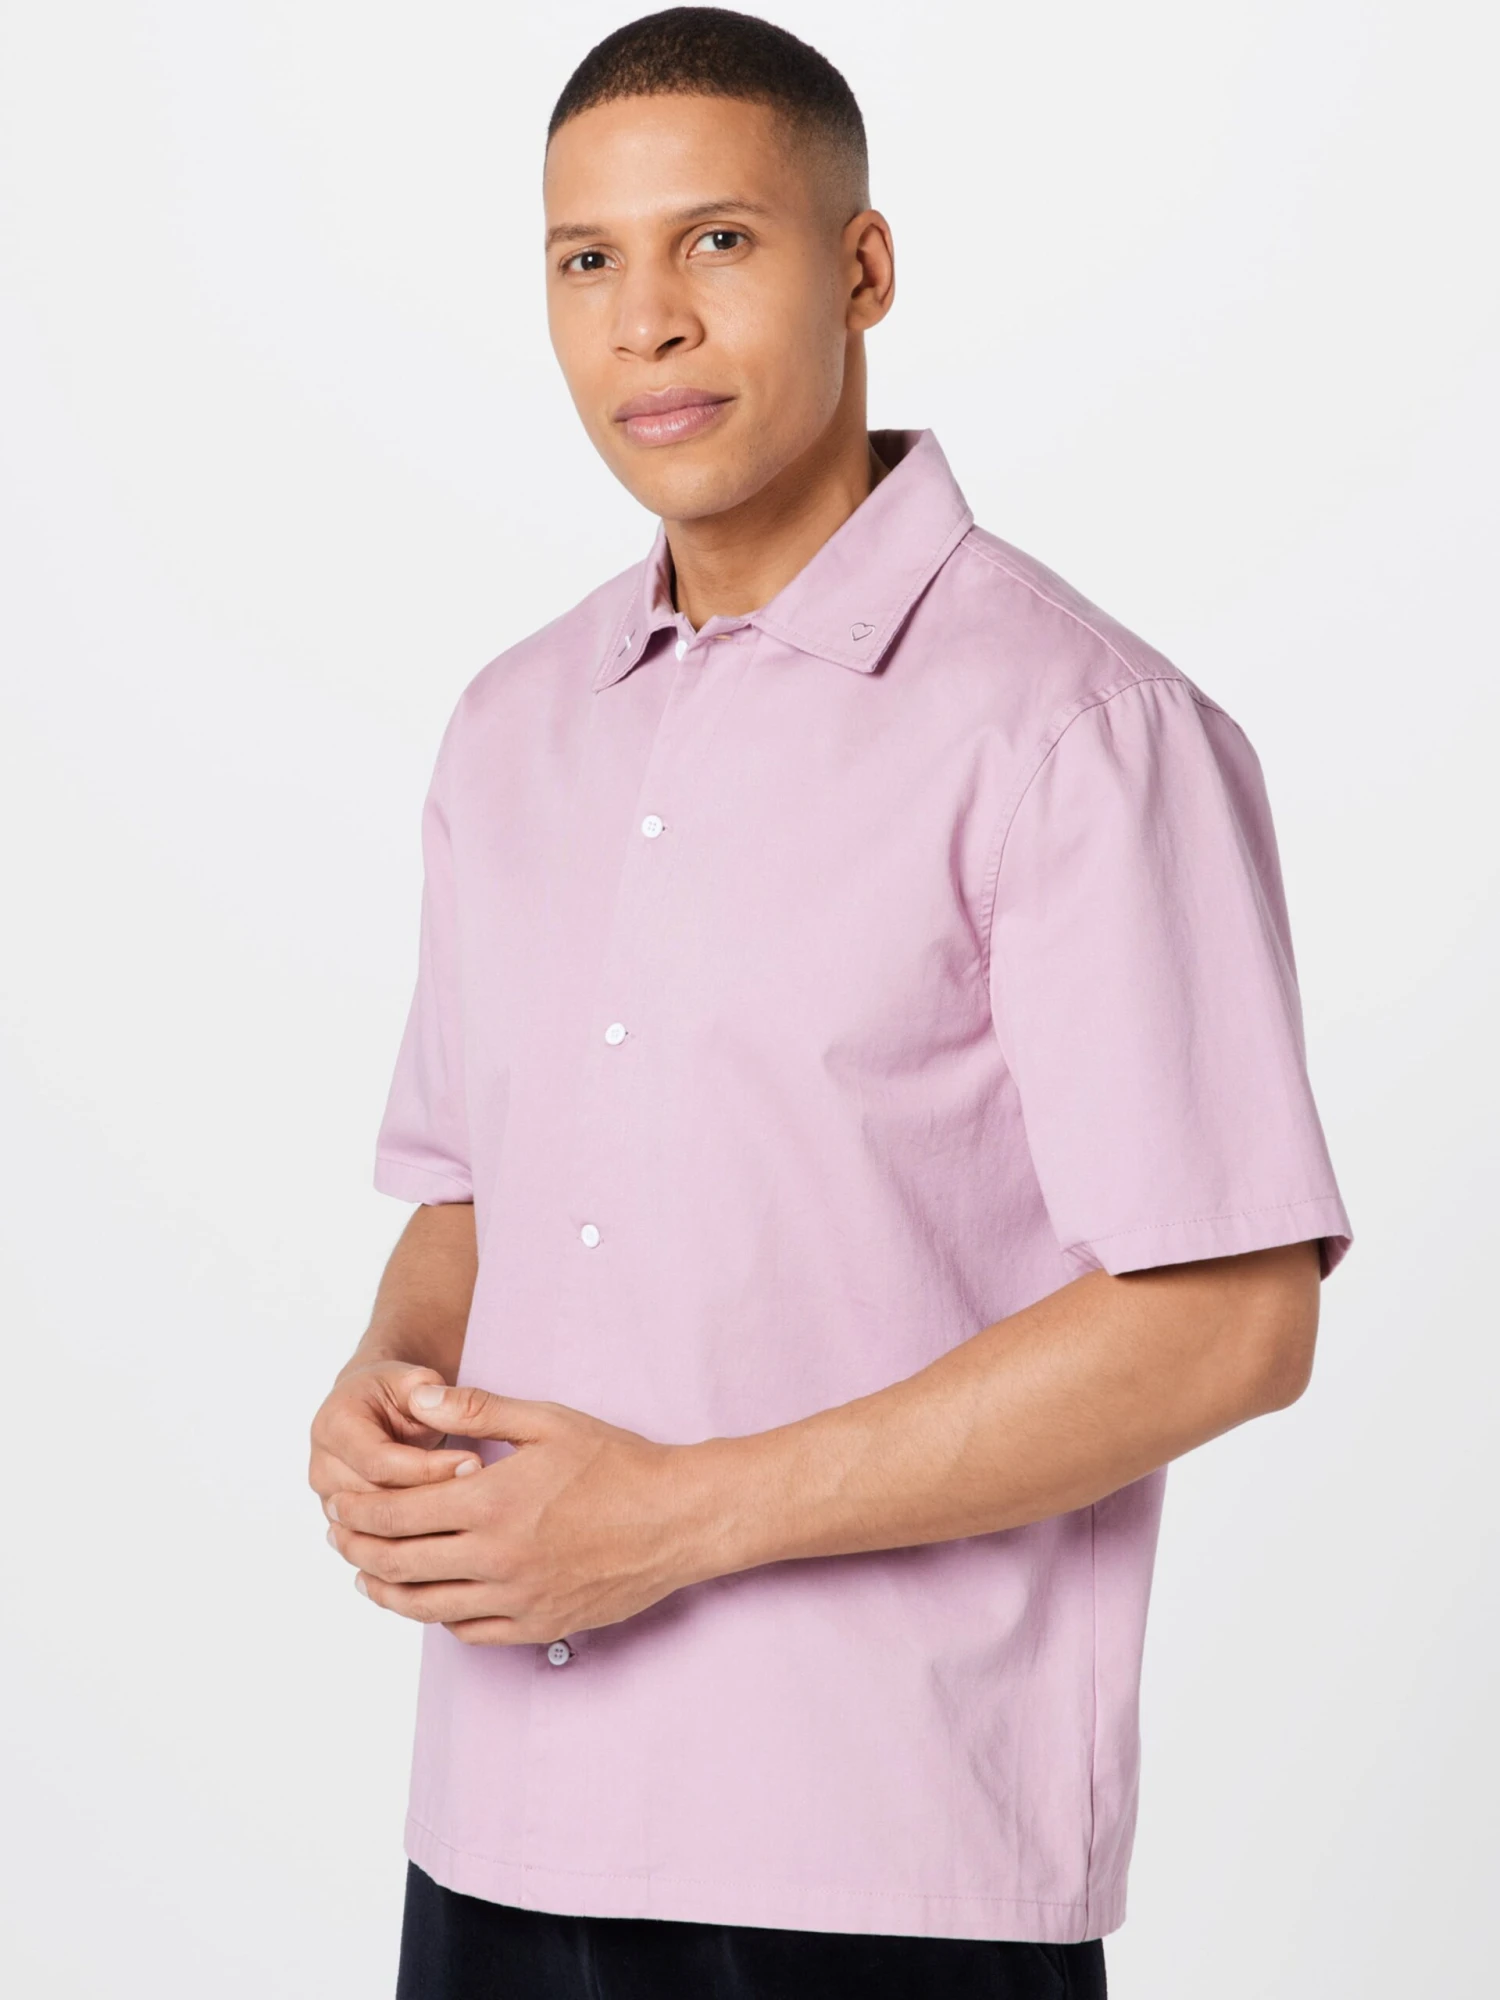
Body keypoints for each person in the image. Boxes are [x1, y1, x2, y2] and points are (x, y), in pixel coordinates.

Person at [306, 9, 1355, 1996]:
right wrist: (389, 1382)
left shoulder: (1079, 731)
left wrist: (672, 1519)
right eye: (588, 259)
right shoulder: (511, 729)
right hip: (500, 1818)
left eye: (718, 240)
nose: (649, 320)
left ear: (861, 267)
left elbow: (1233, 1315)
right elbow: (468, 1194)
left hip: (874, 1859)